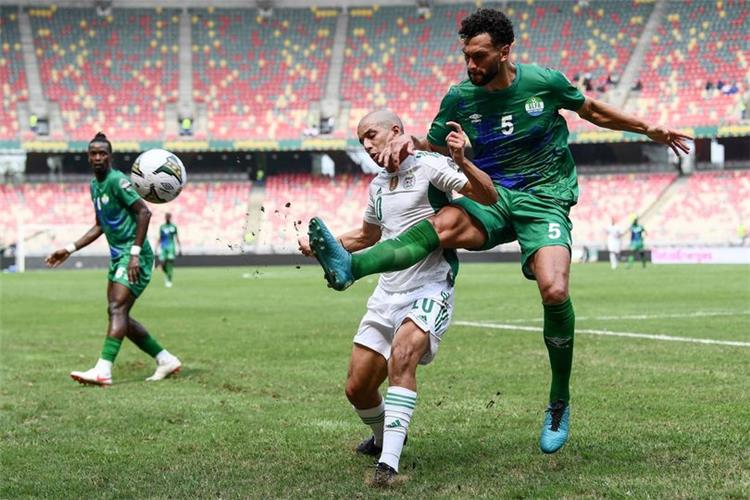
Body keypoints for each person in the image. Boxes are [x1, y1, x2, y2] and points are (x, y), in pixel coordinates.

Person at [308, 8, 692, 454]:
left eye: (479, 56)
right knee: (443, 224)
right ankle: (352, 267)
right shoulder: (459, 97)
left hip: (544, 196)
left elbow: (590, 110)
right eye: (466, 57)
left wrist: (647, 128)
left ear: (505, 51)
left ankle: (558, 401)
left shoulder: (543, 82)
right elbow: (433, 144)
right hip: (491, 194)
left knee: (555, 290)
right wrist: (409, 140)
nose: (471, 65)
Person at [302, 109, 496, 487]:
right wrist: (323, 246)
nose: (367, 145)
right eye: (361, 141)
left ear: (395, 130)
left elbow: (487, 196)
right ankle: (383, 439)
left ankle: (388, 467)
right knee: (357, 389)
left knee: (402, 358)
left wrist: (462, 161)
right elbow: (367, 237)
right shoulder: (377, 185)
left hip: (429, 287)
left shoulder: (429, 166)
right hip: (386, 293)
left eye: (371, 136)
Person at [46, 132, 182, 386]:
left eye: (102, 153)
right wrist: (70, 248)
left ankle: (103, 370)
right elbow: (100, 225)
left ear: (110, 156)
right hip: (118, 255)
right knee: (119, 313)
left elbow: (144, 213)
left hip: (134, 255)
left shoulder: (118, 181)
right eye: (93, 153)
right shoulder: (94, 186)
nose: (98, 157)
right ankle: (165, 359)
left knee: (117, 309)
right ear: (88, 157)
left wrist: (134, 254)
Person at [157, 212, 181, 288]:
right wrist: (156, 247)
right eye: (166, 217)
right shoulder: (162, 227)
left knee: (170, 263)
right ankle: (166, 274)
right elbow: (160, 237)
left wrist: (179, 248)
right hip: (163, 247)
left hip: (171, 247)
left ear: (170, 218)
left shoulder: (173, 226)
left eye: (168, 217)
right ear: (165, 218)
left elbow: (177, 237)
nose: (167, 218)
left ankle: (169, 280)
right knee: (162, 264)